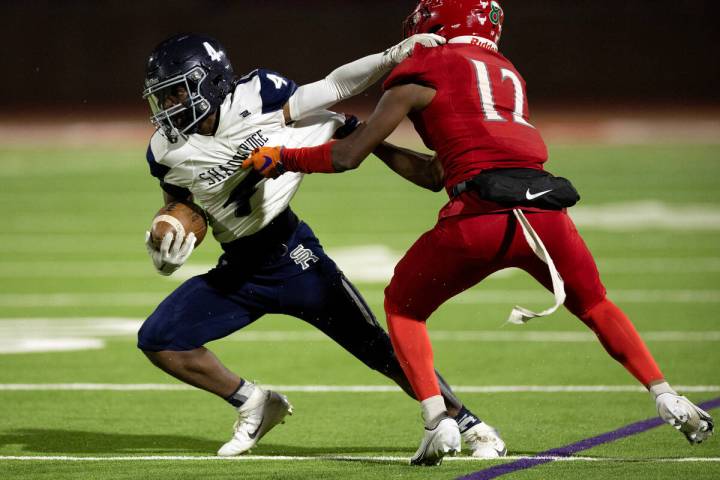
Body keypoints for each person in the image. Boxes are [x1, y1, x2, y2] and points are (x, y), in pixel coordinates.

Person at [242, 0, 715, 466]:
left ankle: (437, 421)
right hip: (543, 214)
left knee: (402, 307)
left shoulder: (425, 64)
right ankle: (666, 394)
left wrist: (284, 158)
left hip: (478, 219)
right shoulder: (506, 72)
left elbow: (346, 159)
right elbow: (434, 174)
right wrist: (375, 140)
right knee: (594, 304)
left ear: (439, 22)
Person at [139, 32, 508, 459]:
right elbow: (180, 200)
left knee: (378, 348)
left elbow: (334, 87)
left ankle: (471, 424)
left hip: (295, 256)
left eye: (176, 93)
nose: (168, 107)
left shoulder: (258, 97)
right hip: (239, 267)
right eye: (162, 98)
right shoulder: (166, 150)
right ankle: (255, 404)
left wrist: (391, 56)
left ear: (211, 82)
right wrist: (166, 234)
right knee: (159, 338)